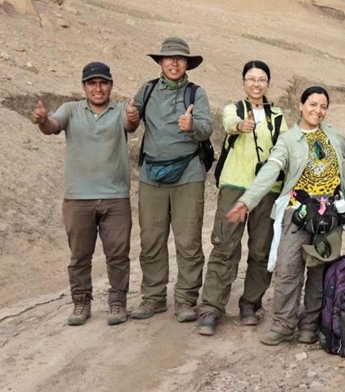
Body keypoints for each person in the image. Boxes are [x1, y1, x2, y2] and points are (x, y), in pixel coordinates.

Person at [227, 86, 345, 346]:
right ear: (301, 105)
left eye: (323, 106)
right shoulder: (288, 139)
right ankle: (283, 324)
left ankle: (309, 326)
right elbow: (271, 169)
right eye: (313, 104)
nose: (318, 110)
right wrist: (247, 201)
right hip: (296, 213)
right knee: (287, 270)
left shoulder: (333, 136)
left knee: (318, 272)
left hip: (329, 216)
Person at [32, 62, 134, 326]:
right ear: (84, 86)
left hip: (115, 197)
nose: (98, 88)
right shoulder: (71, 110)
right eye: (92, 83)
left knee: (118, 254)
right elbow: (52, 126)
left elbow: (130, 123)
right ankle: (80, 302)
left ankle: (117, 301)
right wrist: (43, 120)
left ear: (111, 85)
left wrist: (133, 117)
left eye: (103, 83)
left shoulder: (121, 109)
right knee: (79, 255)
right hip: (78, 198)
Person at [197, 61, 287, 336]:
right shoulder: (233, 109)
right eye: (251, 79)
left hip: (267, 190)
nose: (256, 84)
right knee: (225, 246)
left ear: (268, 83)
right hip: (235, 186)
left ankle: (251, 303)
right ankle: (212, 306)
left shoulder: (279, 116)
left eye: (261, 79)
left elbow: (284, 147)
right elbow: (228, 124)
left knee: (261, 249)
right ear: (243, 82)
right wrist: (240, 124)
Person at [126, 37, 212, 322]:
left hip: (188, 174)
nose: (174, 63)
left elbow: (206, 128)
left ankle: (186, 300)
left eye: (180, 59)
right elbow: (131, 122)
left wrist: (192, 126)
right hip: (151, 174)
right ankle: (153, 298)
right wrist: (128, 118)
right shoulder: (148, 89)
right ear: (160, 62)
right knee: (151, 239)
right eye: (168, 58)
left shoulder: (195, 94)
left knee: (188, 241)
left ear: (187, 63)